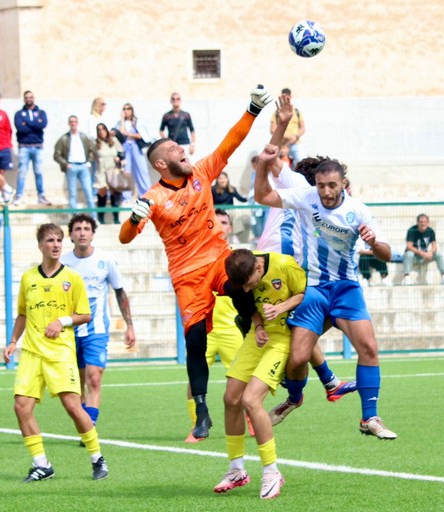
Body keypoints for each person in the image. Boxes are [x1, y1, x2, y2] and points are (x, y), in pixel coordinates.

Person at [118, 85, 274, 439]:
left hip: (217, 258)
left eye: (181, 145)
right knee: (194, 343)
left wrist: (252, 109)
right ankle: (202, 411)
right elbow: (125, 238)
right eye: (174, 149)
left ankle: (251, 317)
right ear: (161, 164)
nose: (183, 149)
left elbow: (229, 144)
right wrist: (132, 218)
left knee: (245, 270)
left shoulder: (202, 171)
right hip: (187, 275)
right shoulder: (153, 198)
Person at [254, 95, 397, 440]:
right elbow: (263, 196)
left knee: (369, 348)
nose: (326, 192)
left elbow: (387, 254)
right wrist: (269, 150)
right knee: (298, 358)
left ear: (343, 184)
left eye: (332, 186)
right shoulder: (305, 197)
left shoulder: (358, 211)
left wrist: (373, 243)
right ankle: (294, 397)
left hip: (346, 287)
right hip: (312, 289)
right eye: (321, 186)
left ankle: (370, 418)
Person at [3, 223, 108, 482]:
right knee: (21, 406)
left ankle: (97, 458)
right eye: (50, 240)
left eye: (59, 240)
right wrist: (13, 341)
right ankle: (41, 464)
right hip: (31, 353)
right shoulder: (29, 278)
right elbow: (23, 313)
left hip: (60, 352)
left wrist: (62, 321)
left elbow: (84, 314)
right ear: (40, 245)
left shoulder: (71, 278)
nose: (56, 245)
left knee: (73, 406)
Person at [213, 249, 306, 500]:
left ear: (258, 268)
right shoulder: (241, 273)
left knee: (250, 400)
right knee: (231, 398)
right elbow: (248, 304)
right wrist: (258, 325)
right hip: (259, 337)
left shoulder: (284, 264)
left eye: (248, 285)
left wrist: (283, 307)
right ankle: (236, 470)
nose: (246, 290)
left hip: (284, 339)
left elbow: (305, 294)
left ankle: (271, 471)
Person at [61, 214, 136, 433]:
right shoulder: (64, 263)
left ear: (93, 234)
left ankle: (89, 429)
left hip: (97, 330)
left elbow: (120, 292)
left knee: (94, 379)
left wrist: (129, 325)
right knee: (78, 383)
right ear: (71, 234)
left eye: (86, 228)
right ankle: (85, 422)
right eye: (77, 229)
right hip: (70, 331)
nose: (82, 232)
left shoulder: (106, 260)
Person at [183, 209, 246, 443]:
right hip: (205, 328)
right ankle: (197, 425)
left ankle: (248, 419)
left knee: (241, 379)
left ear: (230, 228)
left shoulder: (237, 259)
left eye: (224, 222)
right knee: (194, 378)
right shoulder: (198, 258)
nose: (220, 226)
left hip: (230, 329)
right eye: (215, 222)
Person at [13, 91, 50, 206]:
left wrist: (28, 123)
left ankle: (41, 196)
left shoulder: (41, 112)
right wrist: (34, 124)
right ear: (24, 99)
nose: (29, 99)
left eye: (31, 97)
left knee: (38, 172)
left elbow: (42, 125)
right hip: (24, 146)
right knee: (22, 172)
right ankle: (19, 195)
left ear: (34, 98)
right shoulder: (19, 114)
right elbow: (20, 128)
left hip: (37, 146)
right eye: (26, 98)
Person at [53, 116, 96, 214]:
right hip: (71, 166)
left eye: (75, 122)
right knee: (72, 194)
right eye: (71, 122)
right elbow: (56, 154)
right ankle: (74, 218)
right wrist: (65, 164)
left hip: (83, 166)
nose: (73, 124)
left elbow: (92, 150)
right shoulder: (64, 138)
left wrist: (88, 162)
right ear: (69, 123)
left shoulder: (83, 137)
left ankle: (93, 217)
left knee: (89, 193)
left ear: (78, 123)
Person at [115, 103, 152, 197]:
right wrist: (122, 119)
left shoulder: (137, 122)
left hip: (135, 146)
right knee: (126, 171)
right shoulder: (120, 123)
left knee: (142, 170)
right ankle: (126, 196)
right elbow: (120, 133)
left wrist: (128, 134)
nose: (126, 111)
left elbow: (141, 135)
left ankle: (146, 194)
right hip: (125, 147)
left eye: (128, 109)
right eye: (124, 109)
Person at [402, 214, 444, 285]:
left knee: (438, 254)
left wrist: (430, 252)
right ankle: (407, 277)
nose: (423, 224)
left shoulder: (430, 231)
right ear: (417, 223)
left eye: (425, 222)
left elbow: (434, 246)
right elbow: (409, 246)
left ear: (428, 223)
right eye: (421, 222)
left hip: (425, 256)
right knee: (409, 254)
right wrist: (422, 253)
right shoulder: (412, 231)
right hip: (415, 257)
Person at [95, 123, 124, 224]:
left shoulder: (113, 140)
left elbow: (121, 152)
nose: (101, 131)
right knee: (102, 192)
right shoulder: (96, 143)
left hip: (112, 169)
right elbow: (91, 154)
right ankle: (101, 218)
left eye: (103, 129)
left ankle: (116, 217)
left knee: (114, 193)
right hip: (101, 170)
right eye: (99, 130)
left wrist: (119, 158)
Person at [270, 88, 305, 167]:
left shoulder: (296, 112)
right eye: (284, 97)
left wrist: (295, 136)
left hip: (295, 143)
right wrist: (289, 137)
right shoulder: (276, 113)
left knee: (302, 162)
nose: (286, 99)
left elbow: (302, 128)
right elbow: (273, 129)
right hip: (280, 145)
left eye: (287, 97)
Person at [159, 92, 196, 157]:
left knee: (187, 165)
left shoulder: (186, 115)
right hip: (173, 145)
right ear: (171, 101)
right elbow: (161, 130)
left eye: (178, 99)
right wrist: (167, 142)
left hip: (185, 144)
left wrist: (192, 145)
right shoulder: (166, 116)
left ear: (180, 101)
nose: (175, 100)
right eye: (173, 99)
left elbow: (192, 130)